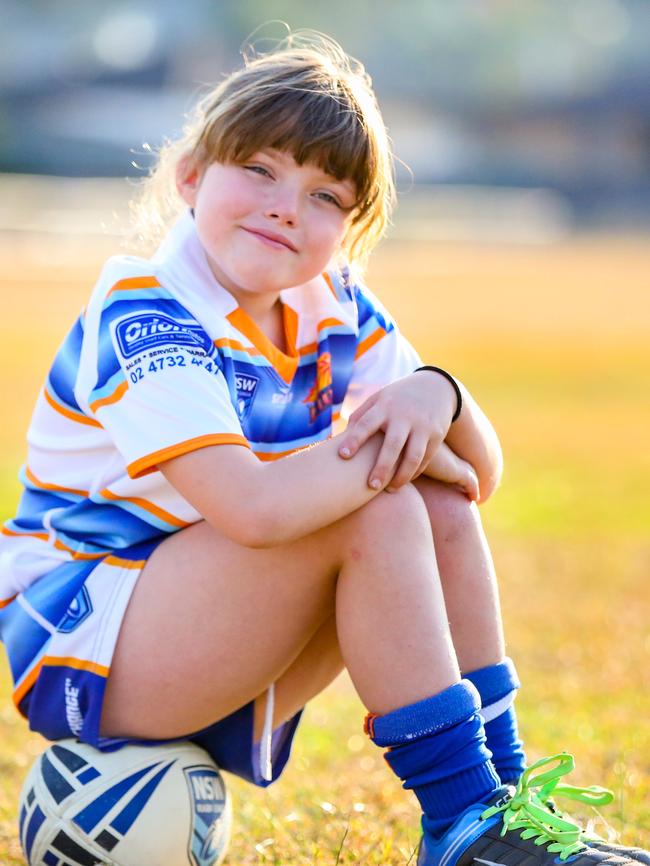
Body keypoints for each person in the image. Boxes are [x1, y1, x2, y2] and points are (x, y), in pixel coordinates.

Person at [0, 31, 646, 866]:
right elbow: (255, 509)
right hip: (79, 646)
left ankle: (507, 811)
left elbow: (475, 479)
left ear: (349, 228)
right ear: (191, 175)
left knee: (428, 498)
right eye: (260, 171)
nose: (285, 207)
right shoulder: (148, 311)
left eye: (325, 197)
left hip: (201, 617)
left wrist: (438, 393)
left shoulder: (331, 302)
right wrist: (395, 458)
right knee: (375, 508)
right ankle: (463, 824)